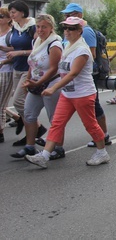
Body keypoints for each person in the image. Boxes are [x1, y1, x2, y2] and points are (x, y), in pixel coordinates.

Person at [24, 17, 110, 168]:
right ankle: (44, 156)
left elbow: (73, 73)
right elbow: (62, 71)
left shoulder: (82, 50)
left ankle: (102, 152)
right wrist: (40, 82)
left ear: (79, 31)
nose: (67, 31)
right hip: (68, 94)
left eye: (71, 28)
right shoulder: (68, 47)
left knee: (90, 124)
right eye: (65, 28)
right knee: (57, 123)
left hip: (83, 94)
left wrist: (53, 88)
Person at [11, 14, 63, 159]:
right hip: (35, 83)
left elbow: (53, 68)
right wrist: (27, 81)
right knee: (28, 114)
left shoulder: (55, 44)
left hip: (50, 83)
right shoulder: (37, 41)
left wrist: (38, 83)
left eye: (44, 27)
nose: (40, 30)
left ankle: (58, 148)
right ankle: (30, 146)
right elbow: (32, 63)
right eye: (38, 27)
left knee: (54, 118)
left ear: (51, 28)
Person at [60, 3, 111, 147]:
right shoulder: (69, 31)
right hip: (71, 74)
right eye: (66, 15)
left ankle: (104, 135)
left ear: (79, 15)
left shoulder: (86, 31)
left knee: (94, 106)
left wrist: (76, 67)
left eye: (70, 14)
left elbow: (92, 54)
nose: (67, 17)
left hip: (85, 74)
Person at [6, 0, 47, 146]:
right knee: (19, 102)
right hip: (16, 68)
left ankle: (35, 127)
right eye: (10, 12)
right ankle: (33, 130)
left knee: (18, 101)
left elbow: (37, 49)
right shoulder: (15, 28)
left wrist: (20, 53)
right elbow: (13, 48)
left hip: (27, 69)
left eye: (13, 12)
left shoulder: (32, 27)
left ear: (22, 12)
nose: (11, 15)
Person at [0, 7, 14, 143]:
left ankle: (0, 132)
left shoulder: (10, 35)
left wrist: (4, 59)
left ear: (8, 19)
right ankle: (17, 118)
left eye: (1, 16)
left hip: (5, 71)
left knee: (1, 103)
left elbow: (16, 53)